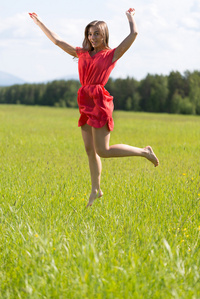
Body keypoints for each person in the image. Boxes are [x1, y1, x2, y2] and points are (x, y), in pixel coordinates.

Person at [29, 8, 159, 208]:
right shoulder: (81, 53)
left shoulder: (111, 54)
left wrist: (130, 17)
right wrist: (39, 23)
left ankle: (144, 152)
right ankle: (96, 190)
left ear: (104, 34)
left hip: (99, 101)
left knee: (103, 150)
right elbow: (57, 41)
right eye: (90, 34)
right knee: (90, 150)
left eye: (96, 33)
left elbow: (133, 34)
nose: (92, 37)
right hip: (84, 100)